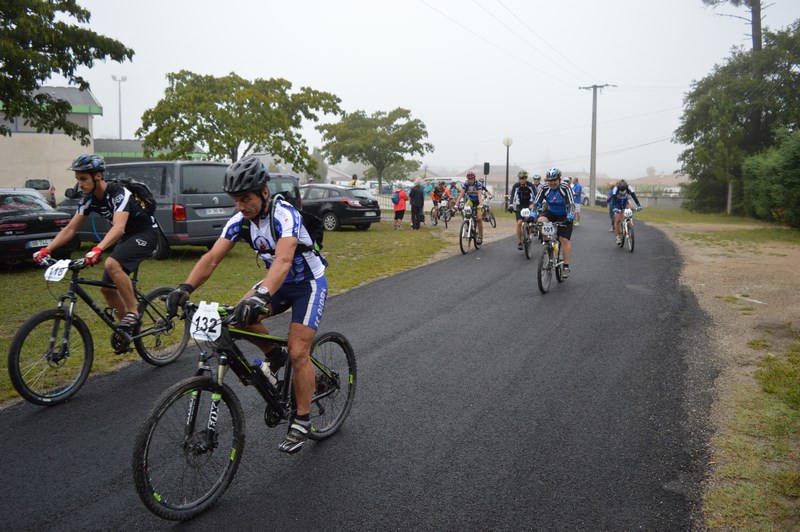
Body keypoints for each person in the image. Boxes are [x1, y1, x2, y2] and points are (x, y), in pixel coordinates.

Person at [165, 155, 327, 454]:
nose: (240, 206)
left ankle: (303, 420)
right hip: (276, 282)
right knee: (237, 319)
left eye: (246, 198)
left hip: (308, 284)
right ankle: (273, 356)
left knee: (298, 350)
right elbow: (213, 258)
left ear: (264, 192)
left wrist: (261, 295)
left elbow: (284, 260)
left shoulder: (285, 215)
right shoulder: (240, 221)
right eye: (235, 200)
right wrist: (185, 288)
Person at [33, 154, 159, 331]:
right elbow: (70, 229)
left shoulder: (118, 193)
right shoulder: (89, 199)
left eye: (83, 179)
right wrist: (47, 250)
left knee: (112, 263)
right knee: (107, 289)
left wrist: (97, 249)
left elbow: (118, 227)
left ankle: (133, 313)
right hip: (128, 237)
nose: (80, 184)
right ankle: (127, 332)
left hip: (146, 234)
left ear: (98, 176)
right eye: (77, 179)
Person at [532, 167, 576, 278]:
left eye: (554, 180)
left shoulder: (565, 188)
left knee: (564, 239)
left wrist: (570, 215)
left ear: (559, 179)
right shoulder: (544, 188)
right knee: (540, 222)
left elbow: (571, 204)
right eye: (550, 181)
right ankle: (547, 243)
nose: (552, 183)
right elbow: (536, 202)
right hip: (551, 212)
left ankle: (566, 266)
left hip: (565, 215)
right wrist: (532, 214)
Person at [453, 170, 488, 244]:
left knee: (479, 218)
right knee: (464, 209)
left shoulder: (478, 184)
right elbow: (461, 195)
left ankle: (480, 237)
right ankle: (467, 223)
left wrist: (481, 206)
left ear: (474, 178)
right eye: (469, 179)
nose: (470, 181)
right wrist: (456, 205)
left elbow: (479, 195)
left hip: (478, 201)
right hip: (471, 201)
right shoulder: (466, 184)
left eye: (472, 179)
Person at [508, 170, 538, 251]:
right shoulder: (516, 186)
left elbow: (536, 195)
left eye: (523, 178)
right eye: (520, 178)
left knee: (532, 210)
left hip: (529, 203)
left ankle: (532, 225)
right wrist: (511, 205)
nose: (522, 180)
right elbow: (512, 196)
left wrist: (536, 204)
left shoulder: (530, 185)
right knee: (519, 223)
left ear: (526, 178)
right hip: (520, 205)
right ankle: (519, 242)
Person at [608, 179, 643, 245]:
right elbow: (613, 199)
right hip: (617, 204)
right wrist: (615, 208)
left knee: (631, 209)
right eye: (621, 188)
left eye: (623, 188)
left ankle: (628, 222)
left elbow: (634, 196)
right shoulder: (616, 188)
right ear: (619, 187)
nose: (622, 189)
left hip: (625, 202)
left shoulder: (629, 187)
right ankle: (618, 237)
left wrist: (638, 205)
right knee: (617, 220)